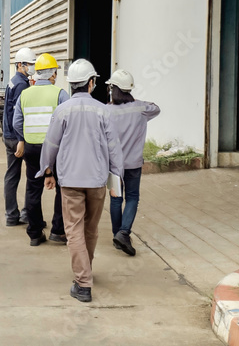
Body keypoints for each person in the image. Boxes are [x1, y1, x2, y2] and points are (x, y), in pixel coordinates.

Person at [38, 59, 124, 303]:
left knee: (73, 230)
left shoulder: (62, 110)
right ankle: (86, 270)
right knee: (91, 229)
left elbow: (51, 144)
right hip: (97, 181)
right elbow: (114, 149)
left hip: (71, 181)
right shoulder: (102, 110)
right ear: (90, 83)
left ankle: (83, 282)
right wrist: (116, 182)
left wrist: (47, 172)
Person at [12, 53, 69, 246]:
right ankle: (58, 231)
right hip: (56, 150)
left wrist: (28, 137)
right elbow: (68, 123)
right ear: (52, 74)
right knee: (62, 188)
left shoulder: (25, 94)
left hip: (32, 148)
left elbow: (16, 123)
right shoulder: (60, 94)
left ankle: (35, 234)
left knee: (33, 189)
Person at [105, 70, 160, 256]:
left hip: (113, 164)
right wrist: (137, 101)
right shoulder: (140, 109)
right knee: (132, 197)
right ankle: (123, 232)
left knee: (115, 199)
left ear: (113, 89)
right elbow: (156, 108)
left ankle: (117, 235)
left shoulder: (107, 110)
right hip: (134, 164)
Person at [2, 47, 35, 226]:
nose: (32, 67)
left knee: (12, 176)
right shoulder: (22, 84)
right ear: (20, 65)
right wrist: (21, 140)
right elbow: (18, 115)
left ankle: (11, 215)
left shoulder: (13, 81)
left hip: (8, 136)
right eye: (30, 64)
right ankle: (26, 214)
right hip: (17, 138)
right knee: (31, 176)